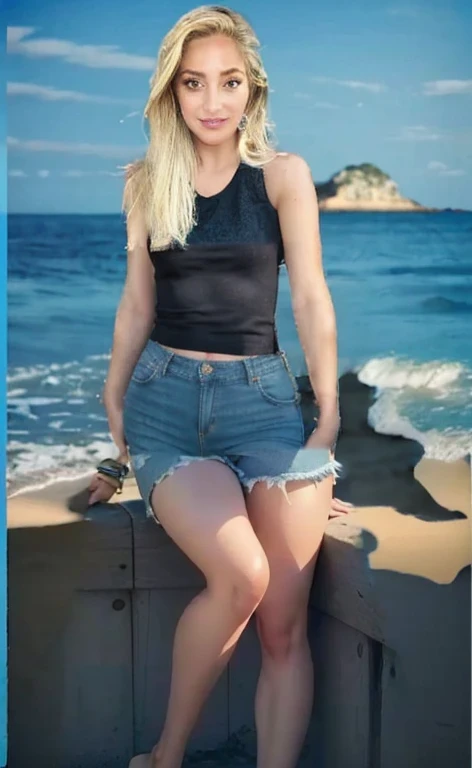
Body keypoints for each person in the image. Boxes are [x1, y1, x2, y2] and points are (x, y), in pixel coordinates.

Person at [88, 6, 352, 767]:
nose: (213, 101)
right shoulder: (145, 184)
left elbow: (309, 298)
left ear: (251, 89)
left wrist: (327, 419)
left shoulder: (284, 177)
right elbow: (139, 300)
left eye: (228, 82)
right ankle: (164, 757)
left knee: (282, 627)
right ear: (172, 93)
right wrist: (113, 391)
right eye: (195, 83)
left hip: (266, 410)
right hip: (167, 409)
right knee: (241, 574)